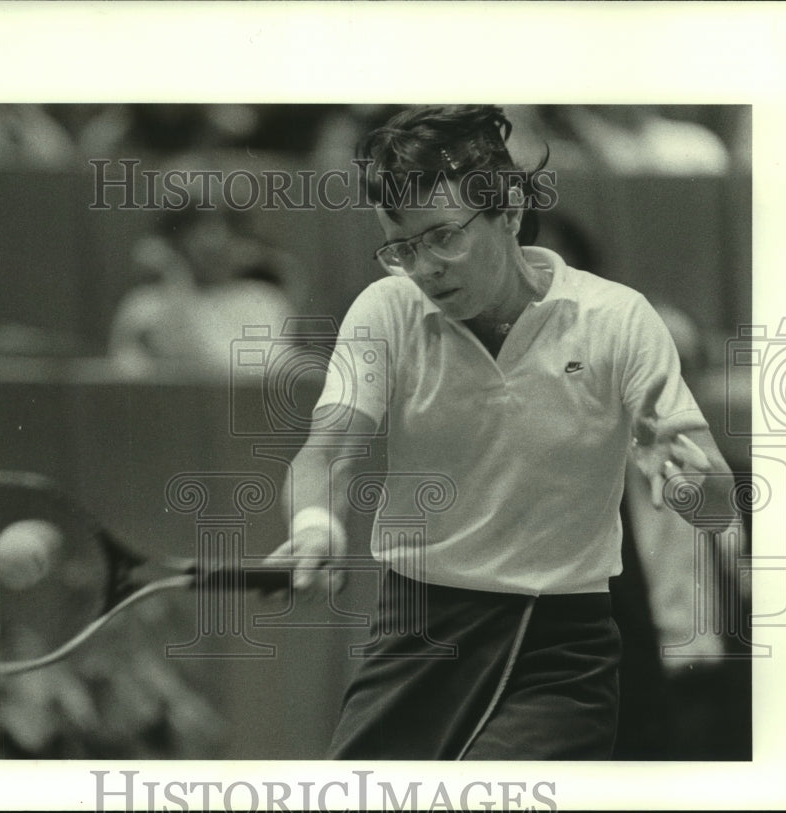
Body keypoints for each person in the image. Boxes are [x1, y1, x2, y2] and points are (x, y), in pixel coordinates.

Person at [267, 105, 737, 760]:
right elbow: (325, 453)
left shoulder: (617, 320)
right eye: (401, 246)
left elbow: (716, 497)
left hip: (560, 644)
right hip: (416, 633)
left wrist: (695, 486)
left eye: (443, 237)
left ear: (509, 209)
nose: (424, 268)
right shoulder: (386, 311)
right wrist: (315, 523)